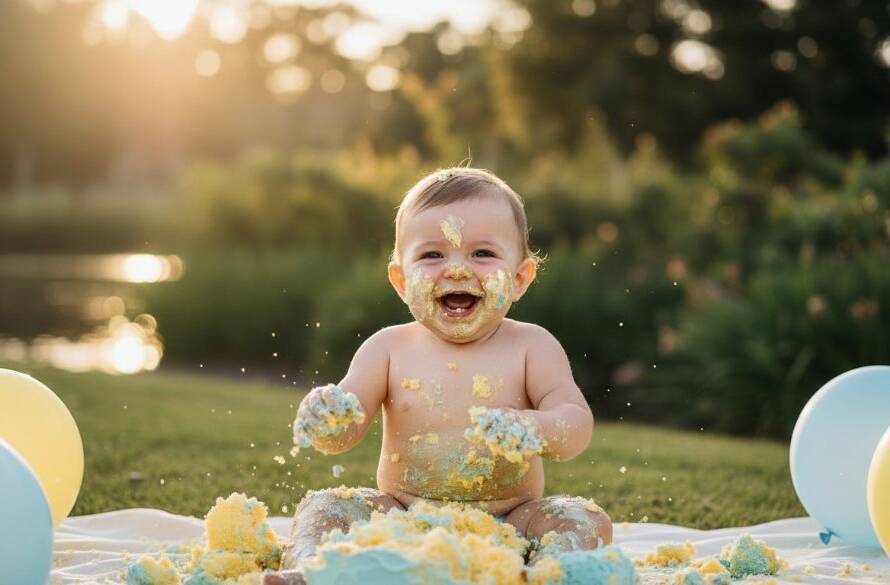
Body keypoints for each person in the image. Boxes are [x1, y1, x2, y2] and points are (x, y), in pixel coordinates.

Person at [265, 167, 611, 585]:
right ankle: (312, 570)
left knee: (583, 517)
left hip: (512, 523)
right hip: (400, 519)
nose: (458, 270)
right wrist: (328, 417)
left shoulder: (532, 346)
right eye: (432, 255)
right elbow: (344, 432)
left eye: (482, 253)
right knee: (324, 506)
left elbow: (575, 424)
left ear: (520, 278)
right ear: (400, 281)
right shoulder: (387, 348)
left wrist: (534, 428)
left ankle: (546, 575)